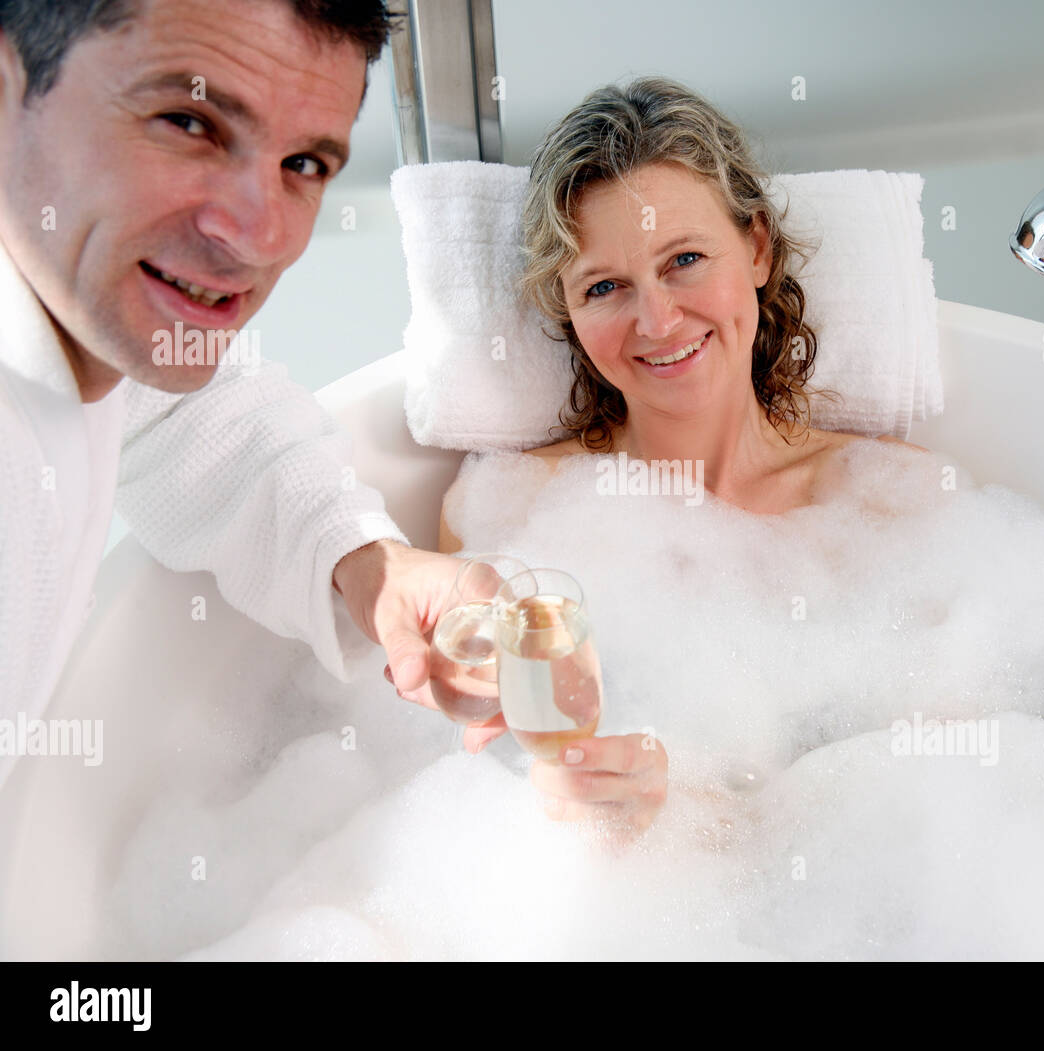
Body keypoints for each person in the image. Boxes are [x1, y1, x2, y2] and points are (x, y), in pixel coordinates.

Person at [435, 77, 926, 833]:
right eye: (604, 286)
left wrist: (706, 809)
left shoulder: (890, 498)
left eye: (685, 259)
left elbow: (931, 796)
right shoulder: (513, 514)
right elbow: (472, 784)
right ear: (567, 310)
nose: (658, 320)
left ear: (756, 247)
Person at [0, 0, 461, 788]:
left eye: (305, 165)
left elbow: (191, 412)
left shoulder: (82, 314)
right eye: (188, 122)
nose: (261, 234)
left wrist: (370, 564)